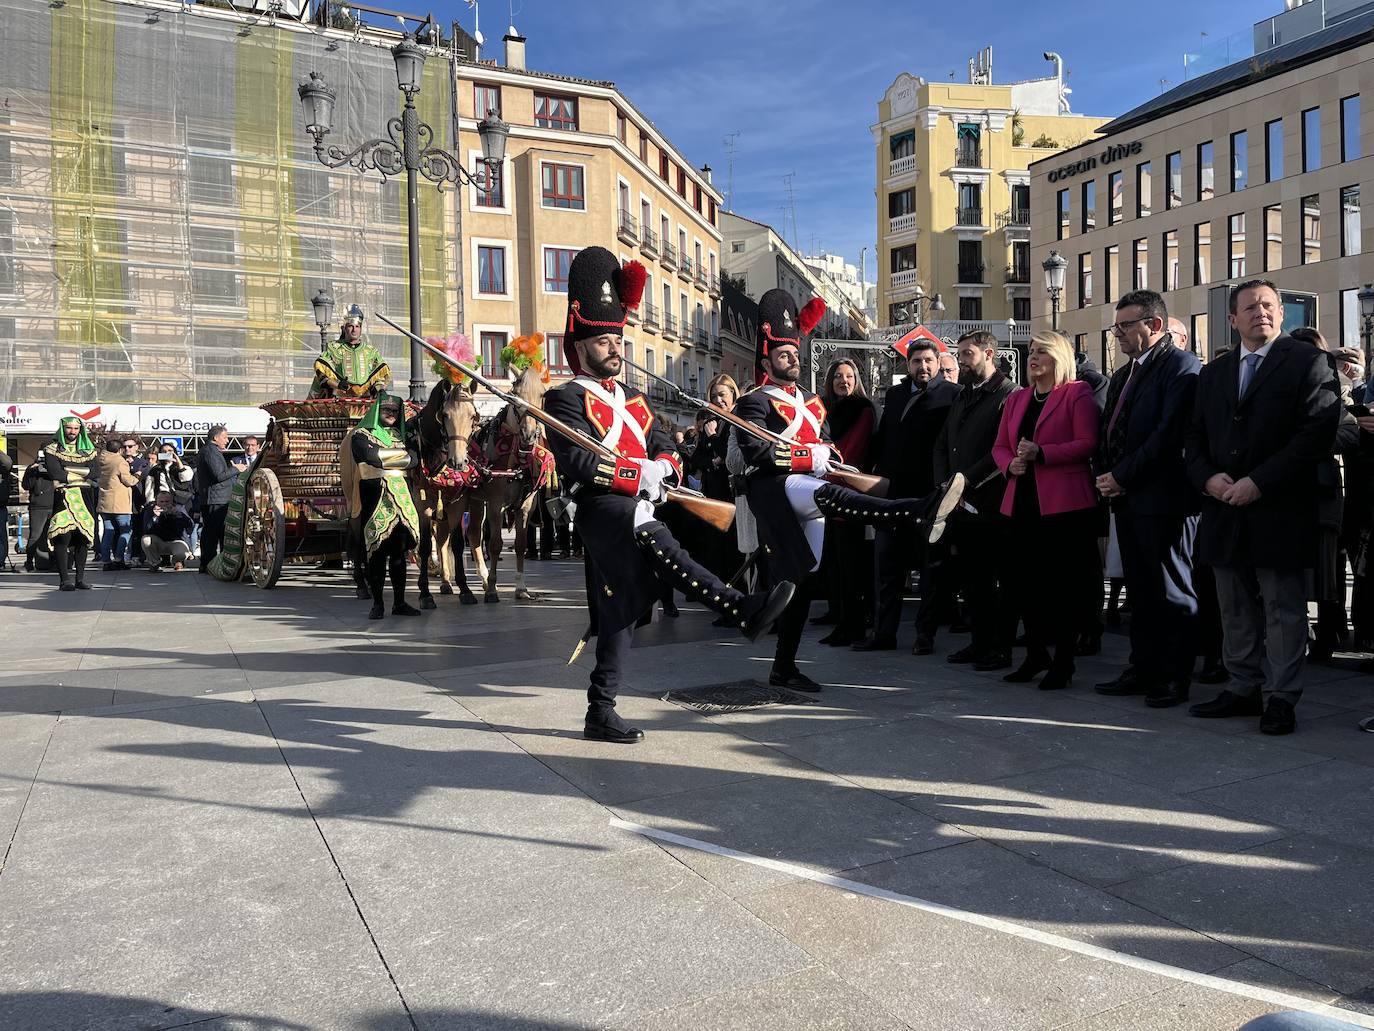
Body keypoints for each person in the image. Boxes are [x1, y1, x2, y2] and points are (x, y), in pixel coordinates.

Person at [544, 247, 797, 744]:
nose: (614, 347)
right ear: (579, 345)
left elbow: (668, 447)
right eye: (602, 340)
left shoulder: (635, 402)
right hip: (599, 508)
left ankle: (601, 708)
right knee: (655, 538)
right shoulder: (564, 398)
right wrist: (634, 474)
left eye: (617, 338)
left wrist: (662, 466)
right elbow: (579, 463)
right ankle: (740, 608)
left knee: (624, 606)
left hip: (638, 506)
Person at [733, 287, 966, 689]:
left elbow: (825, 441)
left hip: (807, 485)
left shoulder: (812, 402)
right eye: (784, 354)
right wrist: (811, 457)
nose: (793, 359)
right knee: (831, 496)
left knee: (801, 581)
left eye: (795, 353)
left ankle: (783, 666)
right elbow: (756, 452)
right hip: (778, 490)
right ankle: (918, 509)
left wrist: (827, 454)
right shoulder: (753, 403)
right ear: (766, 359)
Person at [1185, 280, 1340, 735]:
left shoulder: (1308, 361)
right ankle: (1242, 686)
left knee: (1282, 607)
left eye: (1270, 305)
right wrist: (1207, 478)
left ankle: (1281, 697)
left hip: (1279, 506)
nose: (1263, 313)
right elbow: (1193, 437)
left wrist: (1260, 482)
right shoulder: (1214, 372)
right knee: (1232, 604)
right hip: (1223, 504)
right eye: (1251, 307)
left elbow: (1315, 434)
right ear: (1232, 319)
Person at [1093, 291, 1202, 708]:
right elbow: (1110, 428)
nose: (1116, 334)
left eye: (1124, 326)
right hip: (1128, 499)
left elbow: (1168, 436)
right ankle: (1143, 667)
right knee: (1140, 589)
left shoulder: (1181, 367)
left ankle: (1175, 676)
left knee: (1171, 590)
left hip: (1164, 499)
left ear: (1153, 326)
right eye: (1115, 326)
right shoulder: (1125, 373)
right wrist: (1105, 477)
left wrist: (1121, 475)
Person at [994, 331, 1101, 690]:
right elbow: (999, 446)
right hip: (1022, 499)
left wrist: (1044, 453)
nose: (1033, 358)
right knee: (1024, 583)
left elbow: (1088, 443)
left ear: (1060, 358)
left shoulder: (1076, 393)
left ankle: (1064, 661)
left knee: (1063, 586)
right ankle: (1035, 653)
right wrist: (1010, 464)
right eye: (1031, 352)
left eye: (1042, 352)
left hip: (1065, 504)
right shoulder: (1017, 399)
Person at [859, 338, 959, 653]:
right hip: (893, 497)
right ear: (908, 364)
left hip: (931, 497)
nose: (923, 367)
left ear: (937, 362)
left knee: (930, 571)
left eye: (929, 360)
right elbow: (883, 440)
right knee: (887, 569)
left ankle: (924, 636)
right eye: (917, 361)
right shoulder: (896, 394)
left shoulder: (953, 396)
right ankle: (883, 634)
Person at [933, 330, 1017, 670]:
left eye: (968, 354)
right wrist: (945, 481)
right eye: (961, 354)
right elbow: (943, 442)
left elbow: (1003, 447)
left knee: (995, 580)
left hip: (990, 505)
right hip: (959, 503)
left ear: (989, 354)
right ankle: (978, 642)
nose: (962, 360)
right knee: (972, 581)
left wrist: (967, 480)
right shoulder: (963, 395)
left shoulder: (1009, 395)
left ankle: (998, 647)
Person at [1289, 326, 1360, 663]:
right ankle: (1302, 634)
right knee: (1292, 571)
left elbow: (1349, 433)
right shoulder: (1278, 390)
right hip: (1284, 494)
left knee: (1326, 570)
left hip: (1321, 494)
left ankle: (1329, 634)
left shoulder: (1335, 391)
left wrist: (1309, 443)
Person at [816, 358, 877, 647]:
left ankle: (854, 625)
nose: (844, 381)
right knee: (835, 564)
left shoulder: (863, 409)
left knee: (852, 565)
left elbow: (851, 452)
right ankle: (840, 620)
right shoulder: (824, 409)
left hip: (850, 492)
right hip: (826, 493)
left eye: (849, 376)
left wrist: (827, 468)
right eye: (838, 376)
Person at [350, 393, 424, 620]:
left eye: (394, 411)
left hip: (401, 500)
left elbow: (414, 459)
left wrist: (385, 457)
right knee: (377, 554)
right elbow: (371, 457)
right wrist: (399, 456)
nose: (391, 414)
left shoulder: (404, 435)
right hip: (374, 499)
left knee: (400, 554)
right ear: (376, 411)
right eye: (386, 410)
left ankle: (400, 603)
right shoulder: (361, 435)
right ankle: (378, 604)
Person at [40, 416, 99, 591]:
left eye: (75, 428)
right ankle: (65, 579)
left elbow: (96, 472)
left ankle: (80, 578)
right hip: (64, 496)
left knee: (83, 538)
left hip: (85, 496)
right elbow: (55, 472)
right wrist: (82, 475)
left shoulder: (89, 450)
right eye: (69, 428)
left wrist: (68, 472)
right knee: (62, 537)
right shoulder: (51, 449)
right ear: (62, 429)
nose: (72, 432)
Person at [309, 304, 391, 399]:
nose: (354, 330)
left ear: (360, 329)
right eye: (350, 326)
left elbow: (381, 376)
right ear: (344, 328)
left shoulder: (371, 351)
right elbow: (321, 372)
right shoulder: (334, 348)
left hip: (365, 401)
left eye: (357, 326)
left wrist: (379, 390)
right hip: (339, 400)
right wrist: (337, 384)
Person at [195, 425, 239, 573]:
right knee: (212, 534)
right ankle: (209, 563)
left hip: (215, 498)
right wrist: (237, 469)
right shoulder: (211, 452)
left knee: (212, 533)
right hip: (216, 499)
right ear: (216, 438)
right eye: (225, 437)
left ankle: (211, 563)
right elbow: (219, 475)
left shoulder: (209, 451)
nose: (227, 440)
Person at [96, 438, 140, 571]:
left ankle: (106, 561)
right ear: (120, 449)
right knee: (126, 531)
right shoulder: (120, 461)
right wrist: (137, 476)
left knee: (108, 532)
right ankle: (119, 559)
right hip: (119, 502)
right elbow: (128, 481)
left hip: (104, 501)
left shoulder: (100, 459)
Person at [141, 491, 194, 571]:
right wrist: (155, 517)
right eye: (161, 502)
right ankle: (154, 563)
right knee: (146, 540)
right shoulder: (150, 510)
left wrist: (176, 514)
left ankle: (176, 561)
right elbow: (146, 530)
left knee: (182, 554)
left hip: (176, 541)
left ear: (171, 501)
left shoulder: (178, 509)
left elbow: (190, 525)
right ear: (156, 502)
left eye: (167, 501)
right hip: (159, 542)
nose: (164, 504)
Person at [22, 459, 54, 572]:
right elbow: (26, 485)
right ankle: (30, 562)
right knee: (36, 536)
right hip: (44, 505)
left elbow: (25, 485)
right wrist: (32, 471)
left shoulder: (54, 465)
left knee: (37, 536)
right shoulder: (35, 468)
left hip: (42, 505)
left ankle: (30, 563)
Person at [0, 443, 12, 571]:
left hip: (0, 505)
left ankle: (0, 561)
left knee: (1, 535)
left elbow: (7, 463)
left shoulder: (2, 462)